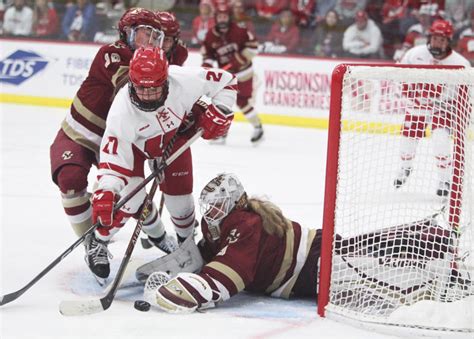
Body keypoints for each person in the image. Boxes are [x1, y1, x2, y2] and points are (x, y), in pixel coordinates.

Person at [137, 172, 471, 313]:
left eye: (218, 207)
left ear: (236, 204)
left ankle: (451, 278)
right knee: (381, 252)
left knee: (386, 277)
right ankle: (438, 246)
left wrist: (182, 291)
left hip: (315, 266)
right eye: (210, 208)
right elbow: (205, 257)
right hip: (317, 254)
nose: (212, 214)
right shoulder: (224, 227)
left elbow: (227, 277)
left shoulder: (244, 224)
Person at [87, 46, 237, 283]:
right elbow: (113, 160)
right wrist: (106, 189)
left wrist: (222, 110)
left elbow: (227, 82)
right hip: (136, 149)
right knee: (129, 201)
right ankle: (99, 239)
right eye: (141, 89)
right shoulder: (121, 112)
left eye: (154, 88)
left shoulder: (185, 80)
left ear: (166, 79)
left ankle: (187, 249)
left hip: (173, 137)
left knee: (181, 203)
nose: (147, 96)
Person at [50, 9, 164, 248]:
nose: (152, 41)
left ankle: (159, 236)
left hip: (116, 139)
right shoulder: (112, 53)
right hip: (80, 133)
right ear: (128, 33)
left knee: (132, 192)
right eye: (146, 34)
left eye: (157, 36)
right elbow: (129, 84)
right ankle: (91, 245)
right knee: (70, 179)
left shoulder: (158, 62)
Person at [393, 19, 471, 197]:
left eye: (442, 40)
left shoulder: (460, 63)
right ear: (429, 38)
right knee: (407, 141)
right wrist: (409, 92)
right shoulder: (414, 54)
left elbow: (466, 93)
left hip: (443, 109)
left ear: (449, 41)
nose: (438, 43)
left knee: (440, 140)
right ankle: (405, 168)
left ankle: (445, 179)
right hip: (418, 105)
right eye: (435, 38)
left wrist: (459, 107)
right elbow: (398, 74)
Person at [201, 3, 263, 144]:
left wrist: (240, 59)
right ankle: (221, 133)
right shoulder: (210, 35)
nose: (222, 19)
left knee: (242, 102)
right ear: (216, 18)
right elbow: (208, 55)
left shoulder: (240, 31)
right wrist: (207, 68)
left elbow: (254, 46)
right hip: (227, 76)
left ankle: (258, 128)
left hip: (244, 73)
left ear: (229, 17)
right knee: (222, 103)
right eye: (220, 17)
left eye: (225, 16)